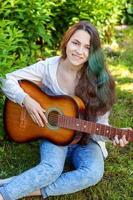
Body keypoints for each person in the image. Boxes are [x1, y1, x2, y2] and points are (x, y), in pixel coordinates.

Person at [0, 21, 129, 200]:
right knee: (52, 169)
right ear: (66, 42)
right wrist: (26, 100)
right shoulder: (49, 67)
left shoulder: (102, 83)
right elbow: (7, 80)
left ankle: (24, 187)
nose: (79, 51)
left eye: (87, 47)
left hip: (86, 139)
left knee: (93, 173)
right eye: (76, 43)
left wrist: (111, 135)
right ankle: (4, 194)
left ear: (93, 52)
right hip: (55, 135)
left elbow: (101, 127)